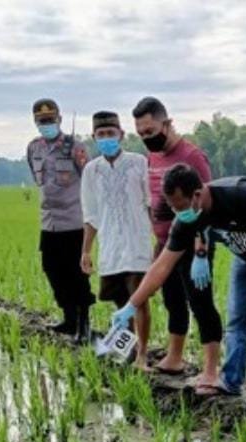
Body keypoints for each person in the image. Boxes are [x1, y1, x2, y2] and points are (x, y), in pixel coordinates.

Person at [112, 164, 246, 415]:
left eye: (181, 206)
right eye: (173, 207)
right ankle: (230, 382)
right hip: (243, 257)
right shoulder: (186, 218)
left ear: (197, 194)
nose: (179, 213)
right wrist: (131, 305)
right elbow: (162, 266)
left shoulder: (237, 194)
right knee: (236, 321)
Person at [132, 97, 223, 390]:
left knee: (200, 302)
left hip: (194, 243)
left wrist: (200, 250)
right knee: (171, 298)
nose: (147, 138)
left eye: (150, 131)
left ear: (167, 123)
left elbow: (208, 204)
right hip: (165, 241)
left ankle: (211, 369)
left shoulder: (193, 156)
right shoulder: (153, 157)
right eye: (141, 134)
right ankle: (175, 356)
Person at [80, 111, 153, 368]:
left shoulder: (138, 163)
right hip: (110, 248)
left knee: (139, 300)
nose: (106, 138)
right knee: (121, 302)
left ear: (121, 135)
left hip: (137, 244)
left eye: (111, 133)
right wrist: (86, 251)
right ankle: (126, 351)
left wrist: (160, 242)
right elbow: (91, 215)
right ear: (94, 138)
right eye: (101, 135)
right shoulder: (92, 170)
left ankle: (143, 355)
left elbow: (151, 204)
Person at [26, 98, 95, 344]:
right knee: (52, 270)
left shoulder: (75, 147)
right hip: (49, 223)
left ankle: (84, 324)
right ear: (35, 122)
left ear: (59, 120)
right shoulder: (34, 148)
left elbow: (89, 180)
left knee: (77, 274)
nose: (46, 124)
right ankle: (68, 318)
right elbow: (38, 180)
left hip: (74, 222)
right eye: (41, 121)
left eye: (50, 120)